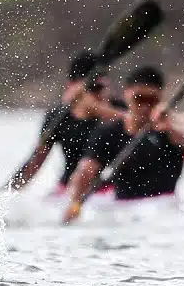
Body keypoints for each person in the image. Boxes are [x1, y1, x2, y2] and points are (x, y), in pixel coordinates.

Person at [62, 65, 184, 224]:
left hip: (165, 208)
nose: (145, 106)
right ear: (127, 94)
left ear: (160, 99)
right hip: (123, 210)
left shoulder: (171, 128)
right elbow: (85, 172)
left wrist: (168, 128)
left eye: (151, 100)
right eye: (139, 99)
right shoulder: (108, 132)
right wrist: (75, 204)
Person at [7, 50, 125, 194]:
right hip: (68, 189)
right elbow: (35, 162)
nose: (99, 94)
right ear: (71, 87)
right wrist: (5, 195)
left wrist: (102, 111)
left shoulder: (120, 110)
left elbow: (147, 125)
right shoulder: (58, 117)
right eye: (92, 88)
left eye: (102, 87)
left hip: (109, 190)